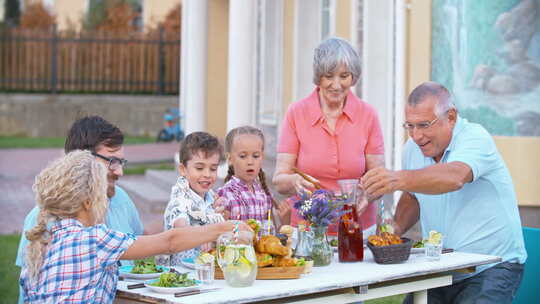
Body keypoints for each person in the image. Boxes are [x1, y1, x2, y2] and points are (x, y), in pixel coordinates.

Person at [361, 82, 527, 304]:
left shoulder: (475, 138)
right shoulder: (412, 149)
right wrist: (392, 230)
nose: (416, 136)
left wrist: (396, 178)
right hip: (442, 267)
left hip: (491, 267)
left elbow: (455, 177)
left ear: (451, 117)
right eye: (409, 126)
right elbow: (413, 196)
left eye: (424, 125)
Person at [19, 150, 249, 303]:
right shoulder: (94, 239)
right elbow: (169, 243)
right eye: (102, 194)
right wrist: (224, 228)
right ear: (88, 202)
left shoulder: (44, 242)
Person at [15, 115, 144, 303]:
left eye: (121, 162)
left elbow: (141, 241)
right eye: (111, 161)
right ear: (82, 162)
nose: (119, 172)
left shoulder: (121, 198)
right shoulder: (41, 218)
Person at [272, 37, 385, 235]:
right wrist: (294, 182)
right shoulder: (297, 113)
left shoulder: (368, 115)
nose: (336, 84)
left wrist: (367, 194)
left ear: (353, 77)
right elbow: (279, 180)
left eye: (344, 76)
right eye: (328, 76)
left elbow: (379, 177)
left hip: (358, 227)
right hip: (309, 229)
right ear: (318, 77)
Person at [163, 132, 226, 266]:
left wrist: (219, 217)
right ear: (183, 169)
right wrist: (203, 236)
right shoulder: (180, 197)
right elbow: (181, 225)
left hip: (206, 271)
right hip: (182, 276)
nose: (207, 174)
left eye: (213, 169)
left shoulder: (211, 198)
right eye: (199, 168)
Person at [217, 126, 290, 232]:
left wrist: (285, 222)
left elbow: (271, 238)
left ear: (262, 157)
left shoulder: (264, 195)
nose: (250, 162)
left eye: (255, 156)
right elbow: (220, 237)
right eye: (243, 156)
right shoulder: (225, 196)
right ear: (230, 159)